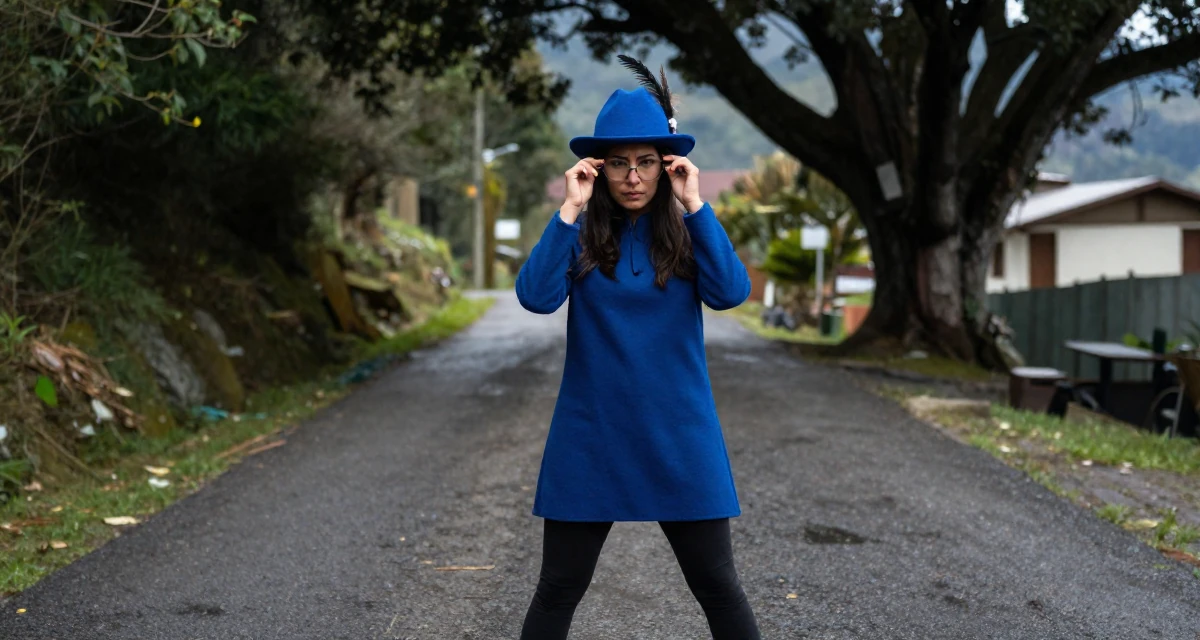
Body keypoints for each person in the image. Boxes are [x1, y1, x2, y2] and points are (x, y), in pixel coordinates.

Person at [514, 58, 762, 640]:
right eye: (619, 163)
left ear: (665, 165)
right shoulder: (580, 236)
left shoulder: (687, 234)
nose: (632, 176)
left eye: (646, 162)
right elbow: (534, 298)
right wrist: (569, 209)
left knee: (720, 588)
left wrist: (696, 205)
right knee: (557, 589)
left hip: (680, 433)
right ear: (597, 170)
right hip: (591, 433)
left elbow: (731, 293)